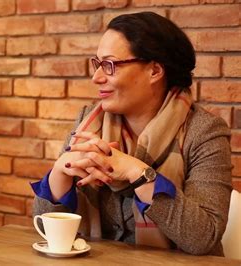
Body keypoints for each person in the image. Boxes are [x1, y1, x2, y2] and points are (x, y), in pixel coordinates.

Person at [32, 11, 232, 256]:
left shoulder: (204, 132)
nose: (96, 77)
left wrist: (137, 173)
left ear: (155, 71)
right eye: (97, 64)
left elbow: (203, 237)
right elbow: (42, 229)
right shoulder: (88, 123)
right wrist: (59, 175)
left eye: (110, 65)